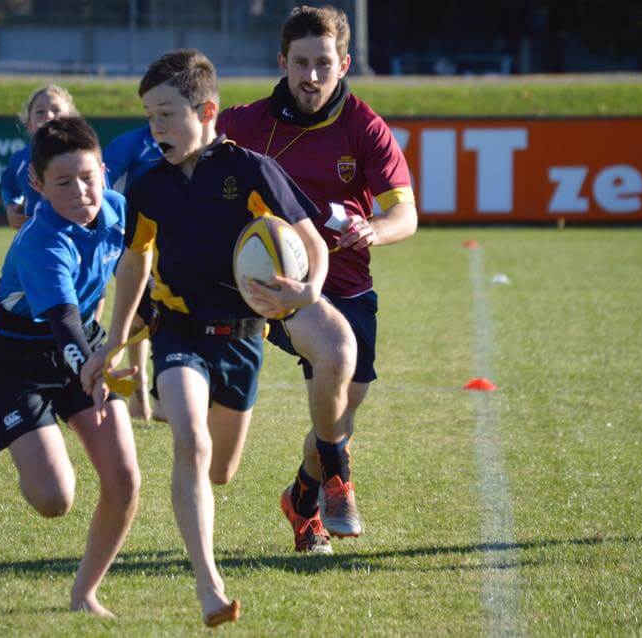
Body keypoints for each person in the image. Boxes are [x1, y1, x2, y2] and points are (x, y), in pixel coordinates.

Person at [83, 49, 327, 626]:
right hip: (179, 332)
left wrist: (308, 291)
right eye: (149, 116)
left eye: (166, 113)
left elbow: (310, 242)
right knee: (189, 442)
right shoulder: (148, 187)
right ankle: (209, 585)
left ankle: (208, 533)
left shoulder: (251, 172)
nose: (156, 127)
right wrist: (114, 342)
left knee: (219, 470)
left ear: (207, 109)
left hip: (242, 335)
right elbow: (135, 266)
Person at [218, 5, 418, 553]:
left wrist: (374, 230)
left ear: (344, 63)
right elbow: (181, 152)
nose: (311, 77)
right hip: (279, 285)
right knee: (334, 353)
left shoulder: (365, 127)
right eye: (300, 63)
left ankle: (303, 498)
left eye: (323, 64)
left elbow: (407, 215)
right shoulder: (243, 124)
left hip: (350, 283)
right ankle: (337, 482)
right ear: (282, 61)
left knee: (341, 409)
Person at [0, 117, 140, 616]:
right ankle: (38, 439)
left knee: (124, 480)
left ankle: (84, 593)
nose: (81, 192)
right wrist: (92, 367)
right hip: (17, 359)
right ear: (37, 185)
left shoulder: (117, 209)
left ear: (104, 171)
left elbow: (145, 266)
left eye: (89, 177)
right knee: (54, 499)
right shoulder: (40, 242)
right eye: (63, 183)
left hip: (85, 347)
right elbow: (63, 322)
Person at [103, 123, 165, 422]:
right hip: (134, 247)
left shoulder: (188, 139)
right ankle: (155, 394)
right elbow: (100, 186)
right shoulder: (129, 144)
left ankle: (138, 394)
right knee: (151, 314)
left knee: (139, 319)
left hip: (173, 246)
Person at [0, 85, 78, 230]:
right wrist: (11, 206)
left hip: (73, 238)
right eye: (40, 111)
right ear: (29, 124)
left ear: (70, 120)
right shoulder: (20, 159)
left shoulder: (83, 159)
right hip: (34, 241)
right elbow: (8, 186)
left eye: (56, 110)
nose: (48, 116)